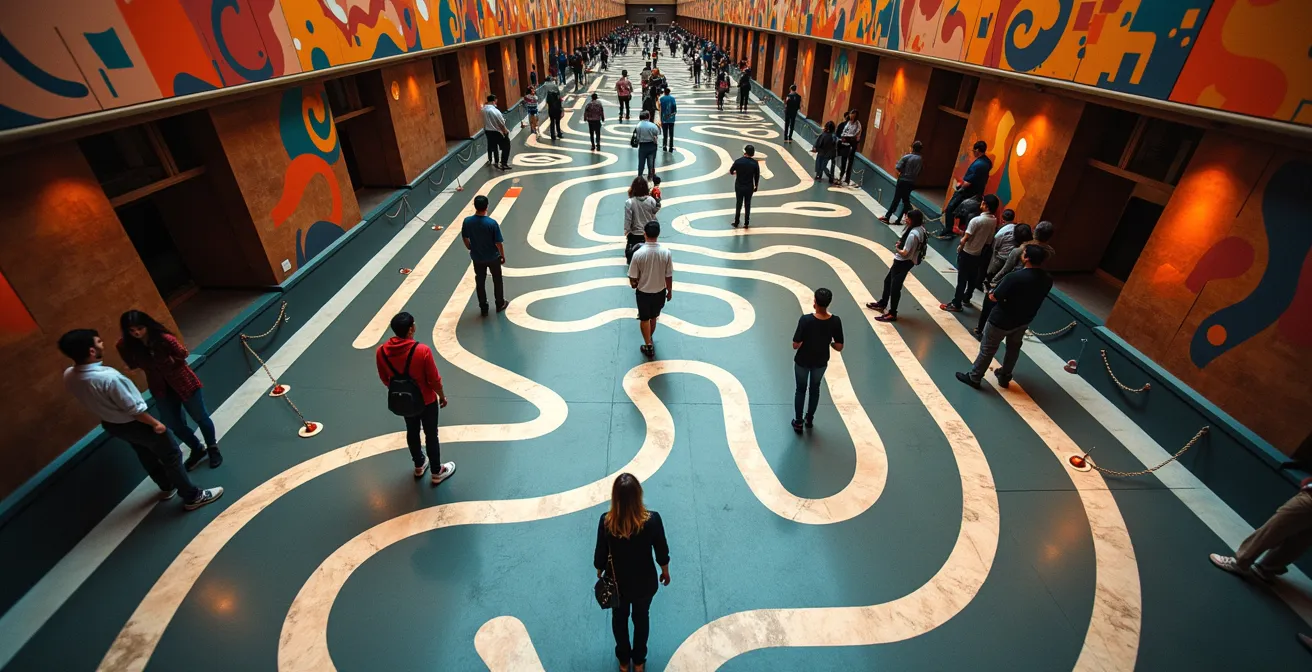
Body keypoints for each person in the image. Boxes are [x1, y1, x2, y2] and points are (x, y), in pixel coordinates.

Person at [59, 329, 223, 511]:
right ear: (91, 351)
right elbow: (134, 409)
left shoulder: (69, 375)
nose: (102, 344)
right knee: (171, 455)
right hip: (136, 423)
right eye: (98, 342)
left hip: (112, 424)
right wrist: (155, 424)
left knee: (145, 453)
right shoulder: (109, 378)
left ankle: (167, 486)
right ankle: (193, 496)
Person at [117, 310, 222, 470]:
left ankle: (213, 448)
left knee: (200, 416)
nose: (136, 333)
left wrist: (170, 361)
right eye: (131, 330)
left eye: (139, 328)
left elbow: (183, 353)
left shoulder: (164, 339)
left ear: (147, 326)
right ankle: (197, 448)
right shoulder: (126, 345)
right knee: (173, 423)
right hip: (160, 387)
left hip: (183, 381)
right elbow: (132, 363)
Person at [594, 473, 669, 672]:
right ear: (638, 495)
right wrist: (665, 571)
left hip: (618, 586)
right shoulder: (652, 520)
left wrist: (600, 570)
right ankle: (638, 662)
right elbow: (661, 550)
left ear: (615, 497)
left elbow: (600, 555)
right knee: (641, 619)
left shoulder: (606, 522)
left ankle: (623, 662)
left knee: (619, 620)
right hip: (645, 584)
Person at [956, 244, 1052, 389]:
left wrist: (990, 292)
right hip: (1024, 320)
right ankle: (1004, 375)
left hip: (1001, 320)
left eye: (1024, 252)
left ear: (1026, 258)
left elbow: (994, 297)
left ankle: (974, 377)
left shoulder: (1014, 277)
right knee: (1013, 349)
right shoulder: (1047, 279)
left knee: (988, 349)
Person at [376, 312, 454, 484]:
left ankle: (419, 464)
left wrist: (402, 390)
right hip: (426, 401)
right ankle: (436, 471)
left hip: (404, 401)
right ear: (411, 329)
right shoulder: (422, 351)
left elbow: (384, 378)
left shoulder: (381, 352)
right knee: (431, 434)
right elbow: (434, 379)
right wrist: (442, 396)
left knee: (412, 430)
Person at [791, 288, 844, 431]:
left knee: (800, 390)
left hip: (802, 360)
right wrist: (829, 342)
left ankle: (798, 421)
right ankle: (809, 418)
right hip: (820, 362)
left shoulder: (806, 320)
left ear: (815, 302)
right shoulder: (835, 321)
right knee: (815, 389)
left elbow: (795, 345)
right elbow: (839, 346)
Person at [940, 194, 999, 313]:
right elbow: (988, 240)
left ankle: (956, 303)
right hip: (980, 253)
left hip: (968, 252)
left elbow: (965, 238)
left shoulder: (976, 220)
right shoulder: (993, 220)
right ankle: (967, 298)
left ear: (985, 205)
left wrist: (960, 245)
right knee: (972, 278)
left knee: (962, 279)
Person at [866, 210, 927, 323]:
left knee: (895, 287)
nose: (905, 219)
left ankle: (892, 313)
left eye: (907, 218)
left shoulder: (913, 235)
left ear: (912, 219)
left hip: (902, 262)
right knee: (888, 281)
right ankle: (883, 303)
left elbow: (905, 253)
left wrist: (897, 248)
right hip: (908, 262)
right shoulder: (921, 229)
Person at [975, 223, 1032, 337]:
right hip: (1020, 288)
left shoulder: (1017, 251)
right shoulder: (1033, 248)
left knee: (989, 305)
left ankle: (980, 330)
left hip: (1006, 280)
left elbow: (1006, 270)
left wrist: (992, 282)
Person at [628, 222, 673, 358]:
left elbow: (633, 276)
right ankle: (650, 338)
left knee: (644, 318)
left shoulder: (638, 254)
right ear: (658, 234)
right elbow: (668, 275)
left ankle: (648, 344)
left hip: (643, 292)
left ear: (645, 234)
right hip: (659, 291)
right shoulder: (666, 253)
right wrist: (669, 291)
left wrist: (634, 284)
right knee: (653, 317)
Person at [461, 195, 509, 315]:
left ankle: (483, 307)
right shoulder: (492, 223)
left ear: (475, 206)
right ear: (487, 206)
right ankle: (499, 303)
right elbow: (498, 242)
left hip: (477, 257)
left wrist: (469, 246)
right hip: (493, 257)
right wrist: (502, 255)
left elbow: (465, 236)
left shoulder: (467, 221)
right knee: (497, 280)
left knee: (480, 281)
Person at [942, 140, 992, 236]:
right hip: (977, 193)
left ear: (977, 150)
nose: (973, 153)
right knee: (966, 212)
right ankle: (957, 229)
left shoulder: (978, 165)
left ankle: (949, 230)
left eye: (974, 150)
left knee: (950, 208)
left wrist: (959, 187)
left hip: (967, 192)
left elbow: (968, 182)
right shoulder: (987, 162)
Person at [879, 140, 922, 225]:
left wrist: (903, 172)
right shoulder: (920, 159)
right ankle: (900, 219)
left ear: (912, 148)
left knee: (897, 199)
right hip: (912, 182)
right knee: (906, 200)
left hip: (903, 180)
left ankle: (888, 217)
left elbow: (898, 167)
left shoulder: (907, 157)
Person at [624, 177, 661, 264]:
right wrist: (658, 201)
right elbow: (655, 211)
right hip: (649, 233)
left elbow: (628, 220)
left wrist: (627, 232)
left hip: (635, 235)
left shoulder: (629, 202)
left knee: (632, 260)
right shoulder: (651, 200)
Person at [729, 144, 760, 228]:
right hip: (749, 186)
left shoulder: (738, 161)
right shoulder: (755, 163)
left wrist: (736, 173)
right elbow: (756, 176)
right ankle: (746, 222)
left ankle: (736, 221)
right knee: (747, 204)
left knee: (738, 203)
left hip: (739, 186)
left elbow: (731, 171)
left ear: (745, 152)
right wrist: (756, 186)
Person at [482, 94, 511, 170]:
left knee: (493, 146)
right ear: (494, 100)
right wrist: (505, 131)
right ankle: (503, 163)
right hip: (497, 132)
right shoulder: (494, 110)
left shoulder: (483, 109)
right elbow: (500, 122)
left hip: (488, 131)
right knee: (506, 146)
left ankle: (496, 161)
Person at [835, 109, 862, 185]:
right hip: (843, 143)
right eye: (850, 115)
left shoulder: (857, 124)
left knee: (848, 163)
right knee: (842, 161)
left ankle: (846, 179)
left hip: (850, 145)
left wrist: (849, 139)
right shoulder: (848, 122)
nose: (851, 117)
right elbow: (843, 131)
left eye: (853, 116)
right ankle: (841, 176)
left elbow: (857, 135)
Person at [634, 111, 660, 181]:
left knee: (641, 163)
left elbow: (637, 137)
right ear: (648, 116)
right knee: (651, 163)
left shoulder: (638, 126)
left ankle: (639, 177)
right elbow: (657, 133)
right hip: (651, 145)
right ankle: (650, 176)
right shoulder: (653, 125)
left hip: (642, 146)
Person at [658, 87, 677, 153]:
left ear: (664, 92)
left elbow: (659, 109)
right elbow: (675, 109)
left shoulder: (661, 99)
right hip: (671, 119)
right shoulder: (672, 99)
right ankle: (671, 146)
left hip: (664, 119)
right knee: (671, 134)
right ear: (669, 92)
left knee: (665, 134)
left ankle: (664, 145)